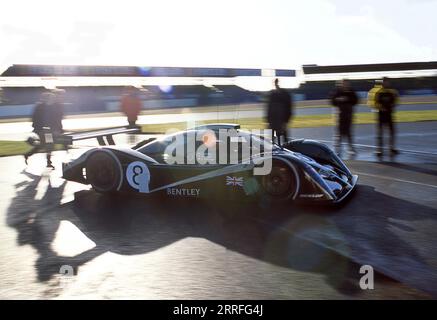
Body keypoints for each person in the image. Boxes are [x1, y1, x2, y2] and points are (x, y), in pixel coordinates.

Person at [24, 91, 57, 169]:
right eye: (51, 98)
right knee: (47, 144)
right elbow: (34, 118)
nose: (52, 99)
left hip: (48, 130)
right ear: (46, 98)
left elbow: (52, 119)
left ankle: (28, 154)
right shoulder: (39, 107)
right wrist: (38, 128)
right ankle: (48, 162)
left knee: (46, 145)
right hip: (41, 129)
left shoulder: (50, 107)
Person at [368, 77, 399, 158]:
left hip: (389, 115)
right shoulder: (377, 91)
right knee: (380, 133)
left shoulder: (392, 91)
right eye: (385, 82)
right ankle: (379, 150)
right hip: (380, 115)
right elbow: (372, 103)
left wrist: (392, 106)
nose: (387, 83)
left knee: (392, 132)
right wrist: (380, 107)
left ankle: (391, 148)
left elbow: (396, 101)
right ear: (382, 82)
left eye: (388, 82)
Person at [329, 79, 359, 157]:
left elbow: (356, 101)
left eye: (347, 83)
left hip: (349, 114)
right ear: (341, 84)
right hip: (339, 114)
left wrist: (348, 99)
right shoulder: (337, 92)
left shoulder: (351, 91)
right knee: (338, 133)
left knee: (349, 133)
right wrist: (338, 99)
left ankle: (351, 149)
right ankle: (337, 150)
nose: (345, 85)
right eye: (344, 83)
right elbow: (332, 101)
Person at [266, 78, 293, 146]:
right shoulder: (273, 94)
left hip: (280, 121)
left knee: (284, 140)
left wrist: (286, 121)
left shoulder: (283, 94)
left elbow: (289, 107)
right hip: (274, 122)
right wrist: (268, 121)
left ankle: (285, 151)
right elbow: (269, 108)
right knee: (273, 140)